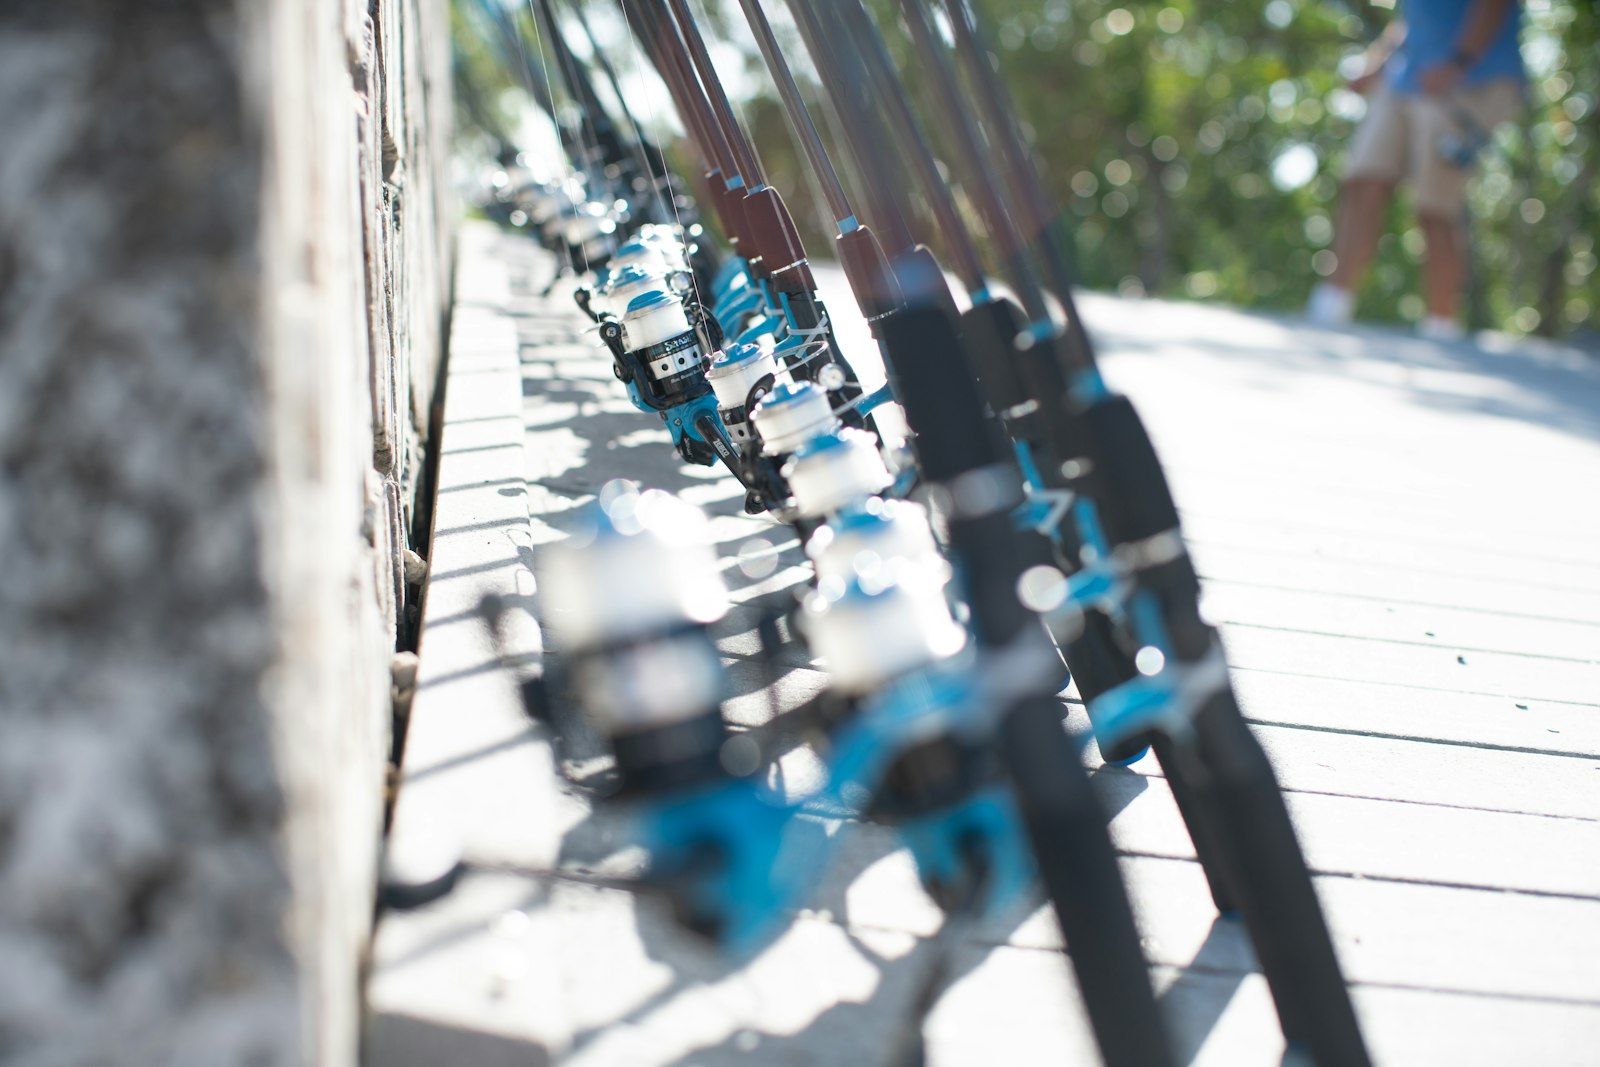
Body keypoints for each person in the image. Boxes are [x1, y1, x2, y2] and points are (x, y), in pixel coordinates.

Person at [1306, 0, 1525, 339]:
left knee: (1434, 206)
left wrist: (1458, 62)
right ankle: (1330, 306)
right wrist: (1375, 64)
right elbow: (1412, 20)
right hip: (1407, 77)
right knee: (1363, 181)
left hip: (1471, 78)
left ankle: (1441, 327)